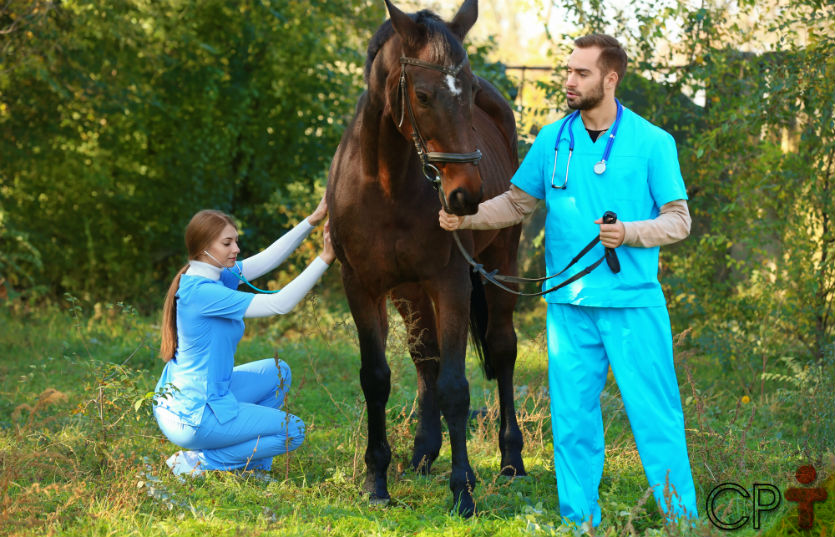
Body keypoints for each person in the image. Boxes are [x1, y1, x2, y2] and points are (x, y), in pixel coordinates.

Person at [439, 34, 698, 527]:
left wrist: (630, 232)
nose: (569, 80)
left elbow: (678, 220)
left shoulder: (652, 142)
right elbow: (517, 203)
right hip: (569, 305)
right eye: (568, 71)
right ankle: (580, 521)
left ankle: (684, 520)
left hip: (632, 304)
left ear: (610, 78)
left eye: (581, 73)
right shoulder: (553, 138)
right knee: (574, 424)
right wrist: (465, 219)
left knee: (656, 419)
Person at [153, 197, 334, 477]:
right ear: (204, 248)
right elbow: (279, 304)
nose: (236, 249)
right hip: (192, 415)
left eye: (235, 241)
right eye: (227, 243)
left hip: (204, 395)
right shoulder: (203, 292)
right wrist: (325, 258)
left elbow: (266, 260)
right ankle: (199, 462)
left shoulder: (213, 275)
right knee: (293, 430)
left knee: (278, 373)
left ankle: (251, 467)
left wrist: (313, 219)